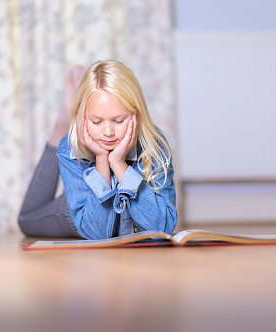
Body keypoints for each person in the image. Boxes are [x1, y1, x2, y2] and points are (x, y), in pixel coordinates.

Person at [18, 60, 177, 239]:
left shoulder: (156, 145)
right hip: (85, 209)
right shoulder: (70, 149)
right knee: (26, 219)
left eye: (118, 121)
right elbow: (97, 234)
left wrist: (118, 163)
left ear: (136, 115)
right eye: (96, 122)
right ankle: (64, 121)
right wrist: (102, 160)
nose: (108, 132)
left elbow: (163, 229)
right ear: (82, 118)